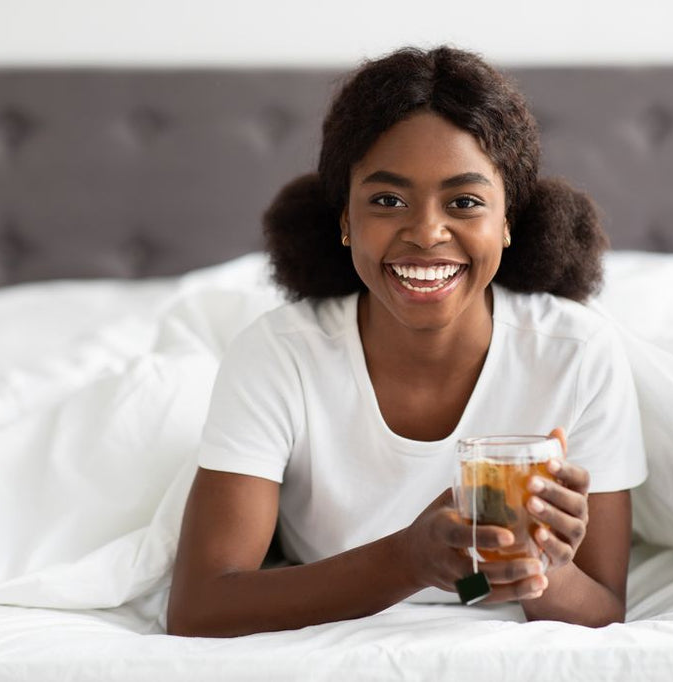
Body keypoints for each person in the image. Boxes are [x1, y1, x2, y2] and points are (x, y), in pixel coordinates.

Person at [166, 45, 646, 637]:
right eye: (387, 200)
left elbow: (603, 609)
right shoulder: (280, 355)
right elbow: (199, 608)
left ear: (508, 220)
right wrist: (408, 559)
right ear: (344, 218)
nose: (425, 232)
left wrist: (548, 567)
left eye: (465, 202)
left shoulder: (577, 355)